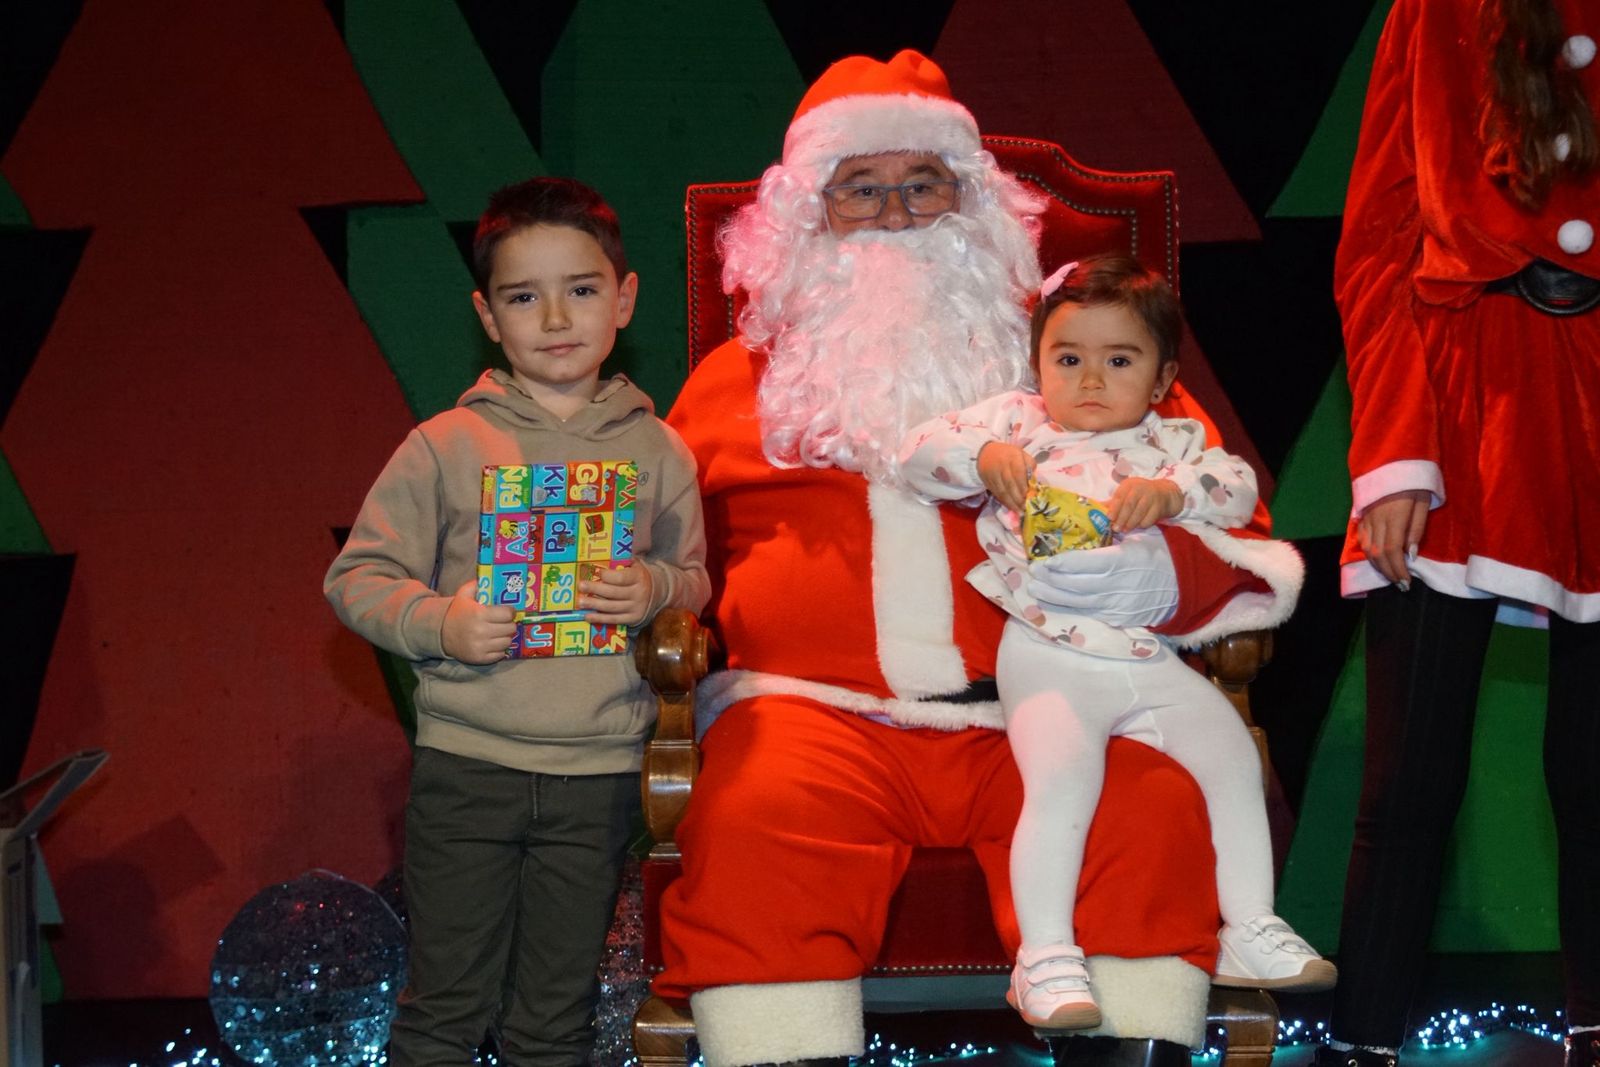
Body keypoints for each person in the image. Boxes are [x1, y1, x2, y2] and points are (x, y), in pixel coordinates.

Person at [652, 51, 1302, 1067]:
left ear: (977, 205)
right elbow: (662, 549)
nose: (898, 214)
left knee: (1149, 804)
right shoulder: (731, 381)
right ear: (805, 218)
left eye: (926, 185)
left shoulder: (1076, 352)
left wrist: (1163, 576)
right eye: (860, 190)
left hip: (1050, 700)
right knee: (756, 818)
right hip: (810, 712)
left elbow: (1224, 500)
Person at [324, 177, 709, 1065]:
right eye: (523, 296)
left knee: (553, 1018)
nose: (556, 316)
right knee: (447, 1008)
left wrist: (651, 584)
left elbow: (695, 582)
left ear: (625, 297)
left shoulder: (658, 449)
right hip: (470, 767)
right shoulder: (445, 444)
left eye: (580, 288)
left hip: (599, 774)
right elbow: (358, 577)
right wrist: (441, 621)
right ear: (488, 317)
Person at [897, 254, 1329, 1030]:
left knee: (1233, 755)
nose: (1089, 379)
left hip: (1141, 656)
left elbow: (1238, 489)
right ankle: (1045, 955)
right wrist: (980, 457)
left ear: (1162, 378)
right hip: (1046, 655)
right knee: (1063, 783)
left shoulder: (1174, 441)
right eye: (1068, 359)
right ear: (1037, 367)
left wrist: (1175, 491)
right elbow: (918, 452)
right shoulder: (1020, 424)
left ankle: (1249, 925)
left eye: (1118, 360)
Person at [1315, 2, 1599, 1066]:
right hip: (1464, 396)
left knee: (1591, 769)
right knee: (1408, 776)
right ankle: (1363, 1042)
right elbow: (1381, 233)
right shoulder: (1437, 10)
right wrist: (1394, 451)